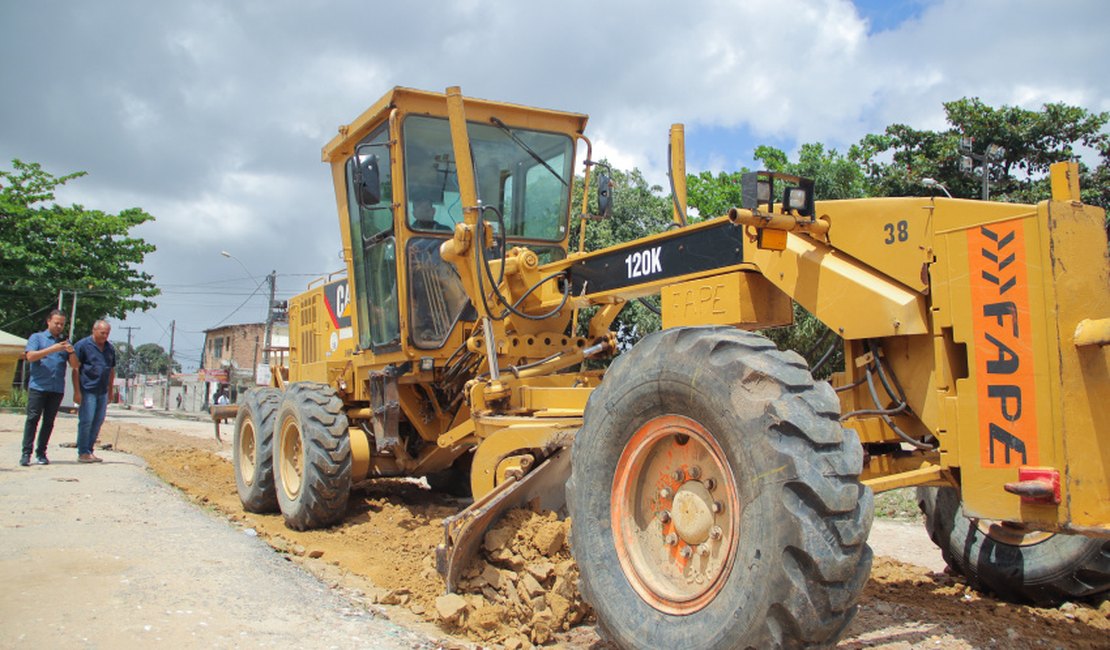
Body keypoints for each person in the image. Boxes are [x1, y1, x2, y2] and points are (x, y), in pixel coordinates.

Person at [20, 310, 77, 466]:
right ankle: (26, 453)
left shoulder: (65, 343)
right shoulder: (37, 338)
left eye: (62, 324)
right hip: (38, 386)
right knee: (32, 419)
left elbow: (74, 366)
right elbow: (30, 357)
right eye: (56, 323)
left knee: (49, 422)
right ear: (48, 322)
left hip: (56, 388)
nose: (59, 326)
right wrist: (53, 348)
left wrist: (70, 351)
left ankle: (41, 453)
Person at [71, 320, 116, 463]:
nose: (105, 336)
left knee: (98, 421)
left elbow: (111, 370)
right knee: (86, 420)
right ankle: (83, 451)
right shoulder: (83, 345)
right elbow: (75, 368)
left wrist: (110, 390)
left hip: (102, 390)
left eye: (107, 333)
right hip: (87, 389)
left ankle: (89, 450)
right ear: (94, 330)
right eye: (102, 333)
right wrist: (77, 392)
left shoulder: (109, 348)